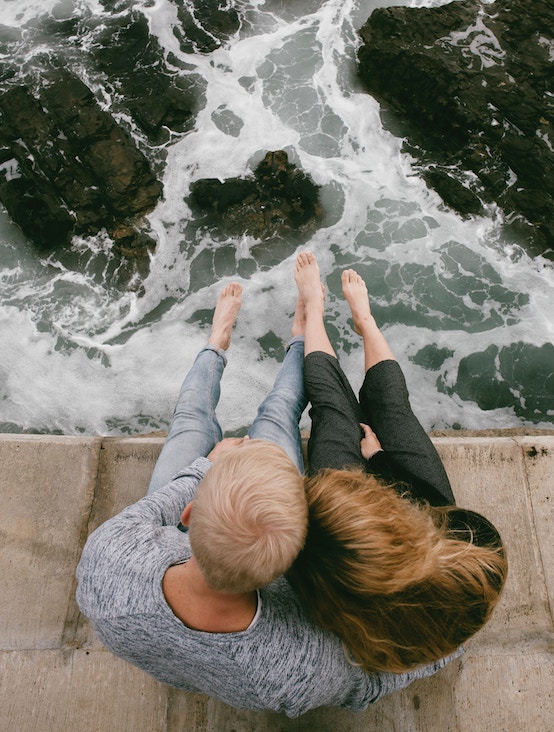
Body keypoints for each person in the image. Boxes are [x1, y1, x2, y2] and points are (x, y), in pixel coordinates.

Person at [76, 281, 461, 718]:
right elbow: (369, 683)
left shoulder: (107, 560)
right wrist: (451, 642)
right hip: (231, 547)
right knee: (277, 411)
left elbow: (148, 513)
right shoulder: (299, 663)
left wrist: (205, 469)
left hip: (185, 535)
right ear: (292, 564)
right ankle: (298, 335)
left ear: (188, 511)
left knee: (190, 424)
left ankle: (218, 341)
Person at [287, 251, 508, 674]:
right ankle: (364, 322)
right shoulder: (474, 555)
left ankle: (314, 309)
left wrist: (365, 465)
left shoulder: (333, 576)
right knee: (393, 407)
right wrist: (381, 460)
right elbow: (431, 508)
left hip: (360, 547)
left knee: (334, 412)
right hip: (431, 512)